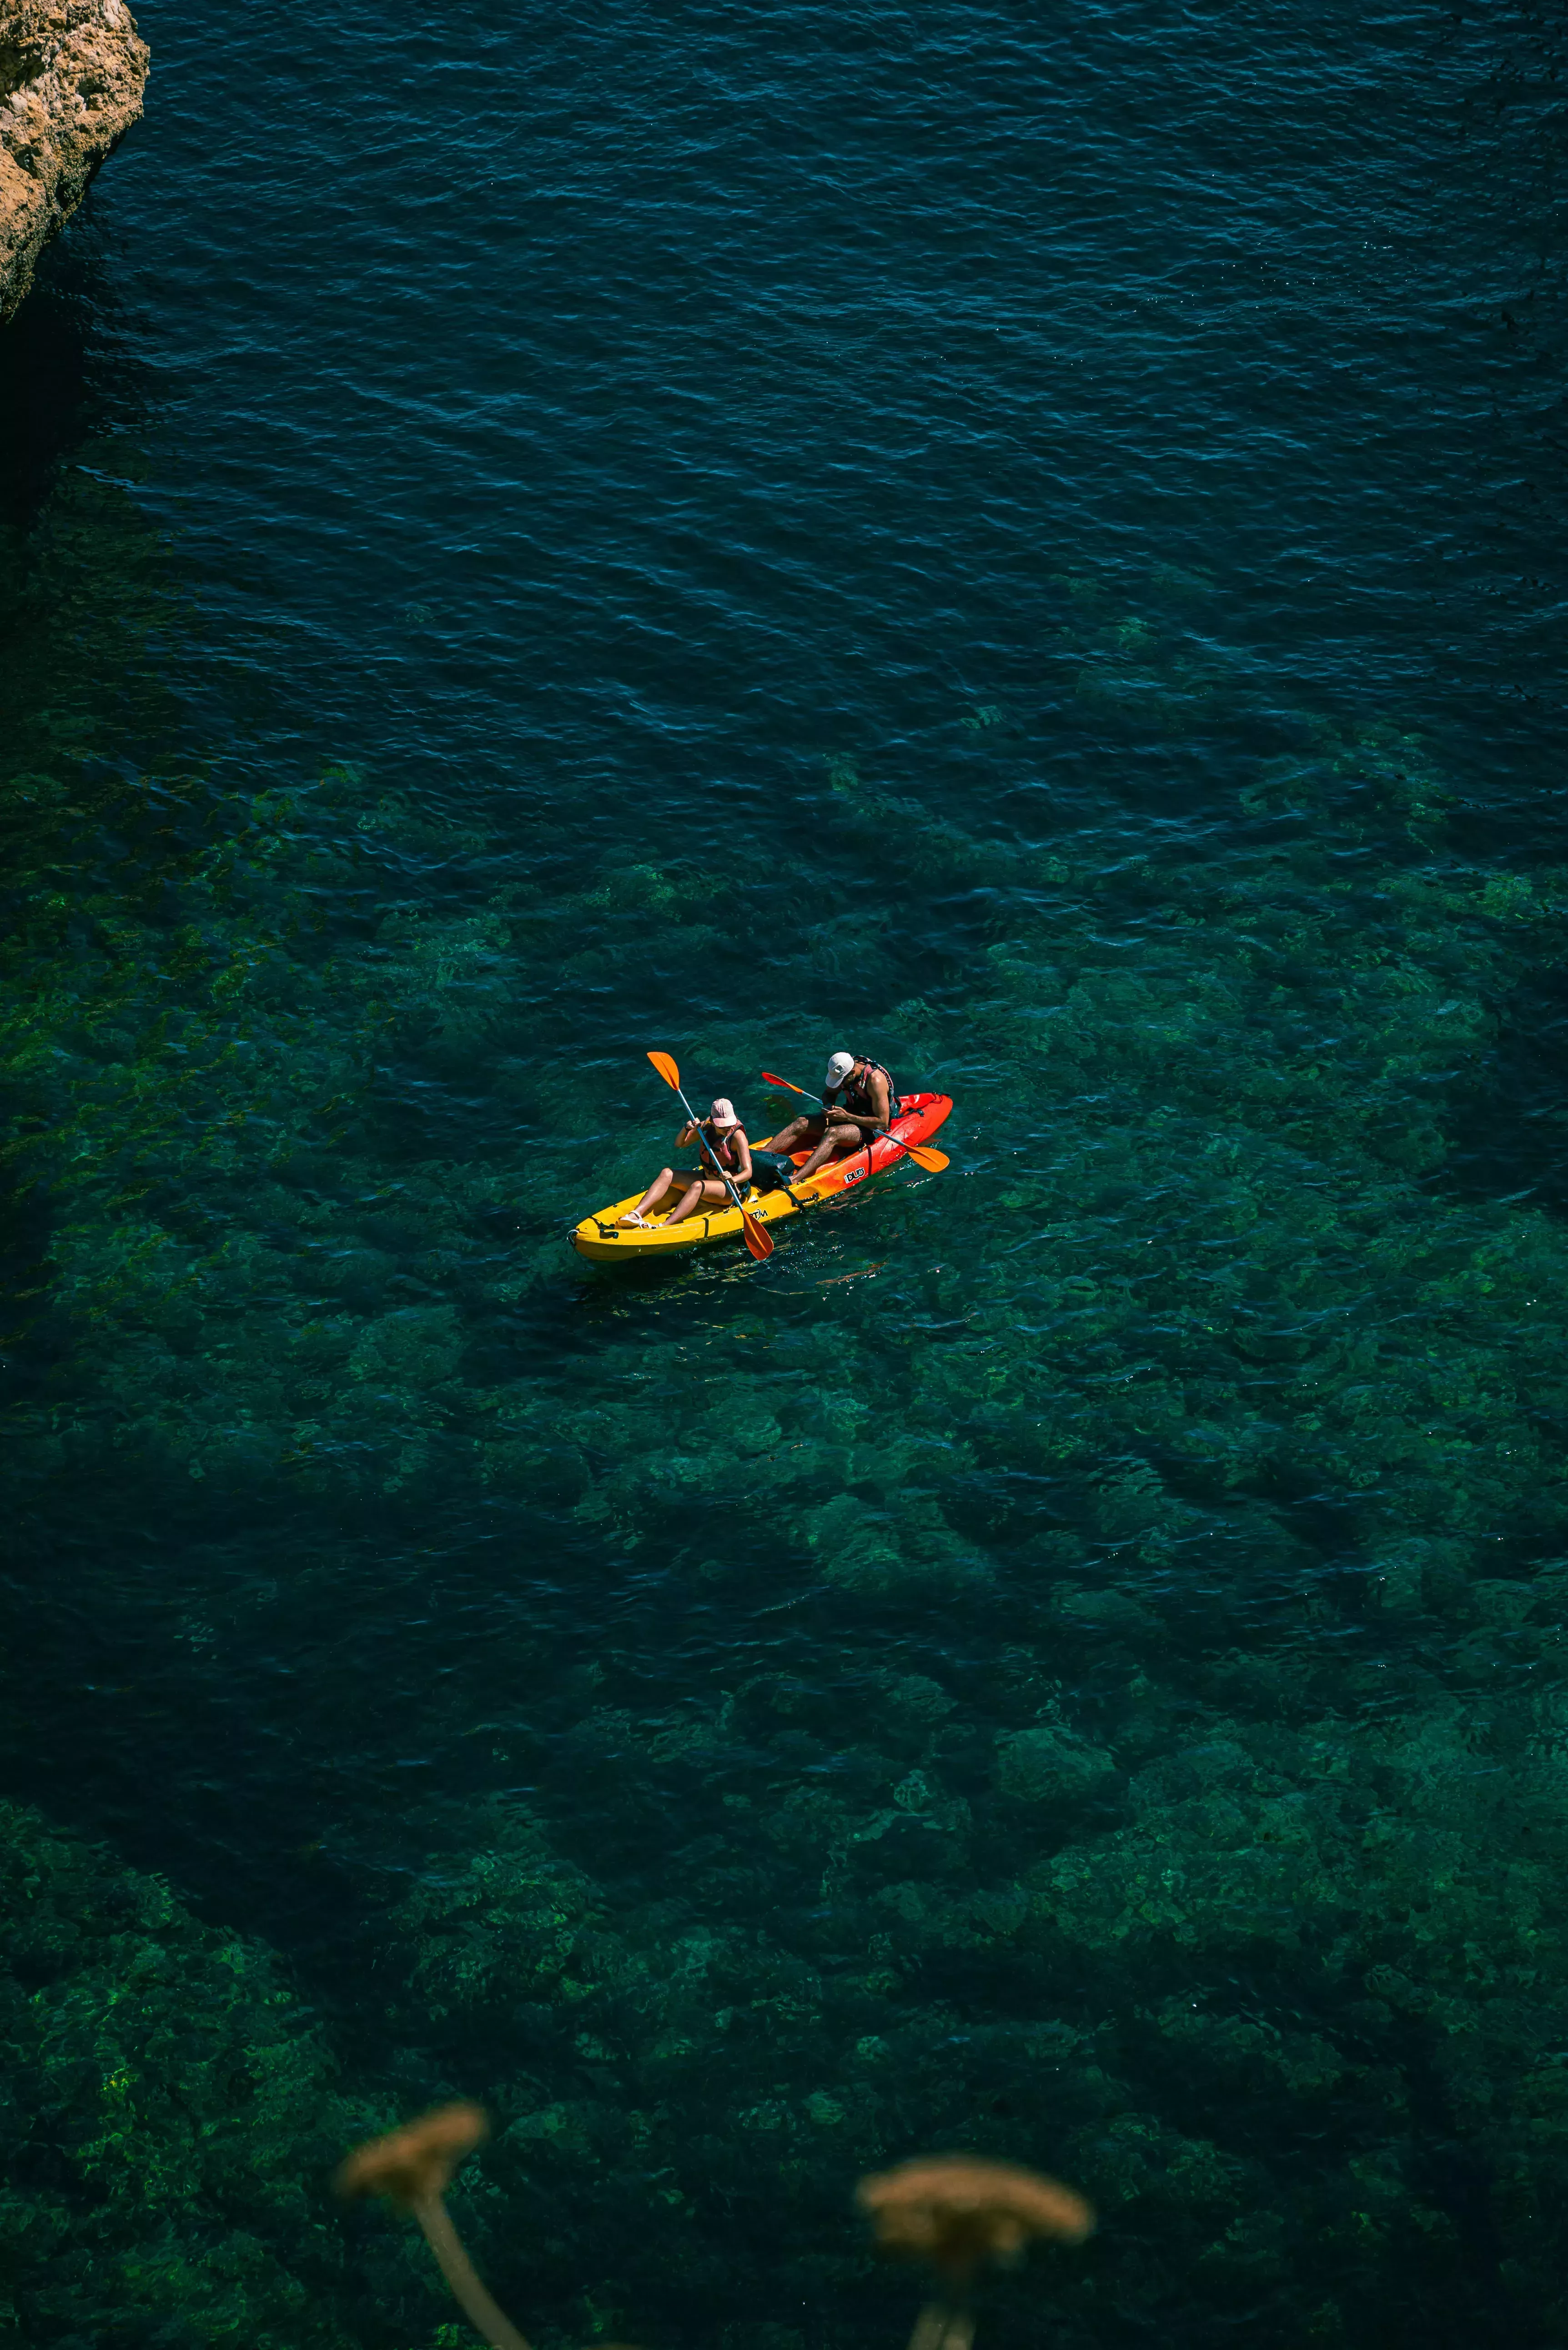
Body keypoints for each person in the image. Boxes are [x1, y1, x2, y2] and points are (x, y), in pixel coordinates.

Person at [764, 1051, 899, 1182]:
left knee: (832, 1133)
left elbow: (882, 1123)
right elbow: (829, 1093)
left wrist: (847, 1117)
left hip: (871, 1128)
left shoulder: (875, 1081)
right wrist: (829, 1105)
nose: (839, 1085)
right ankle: (760, 1157)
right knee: (801, 1122)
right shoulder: (843, 1070)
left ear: (852, 1073)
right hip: (850, 1115)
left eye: (841, 1082)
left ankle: (796, 1179)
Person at [619, 1098, 753, 1228]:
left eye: (729, 1124)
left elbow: (748, 1172)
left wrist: (733, 1178)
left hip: (729, 1190)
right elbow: (680, 1144)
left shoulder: (737, 1137)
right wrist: (687, 1128)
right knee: (667, 1173)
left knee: (697, 1186)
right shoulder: (707, 1127)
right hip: (707, 1178)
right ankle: (636, 1214)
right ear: (713, 1121)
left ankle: (664, 1226)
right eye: (722, 1125)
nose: (727, 1128)